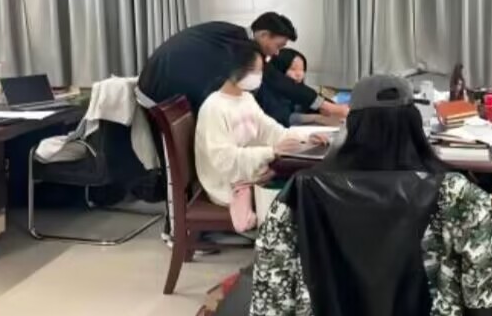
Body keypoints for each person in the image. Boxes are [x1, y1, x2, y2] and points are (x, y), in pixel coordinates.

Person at [249, 75, 492, 316]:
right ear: (414, 123)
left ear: (352, 125)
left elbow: (271, 286)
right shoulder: (458, 195)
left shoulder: (302, 191)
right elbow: (479, 299)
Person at [194, 43, 322, 232]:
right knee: (302, 186)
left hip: (248, 169)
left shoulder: (246, 99)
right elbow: (223, 159)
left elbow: (272, 130)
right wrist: (271, 152)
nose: (260, 76)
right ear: (238, 70)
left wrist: (307, 138)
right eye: (257, 71)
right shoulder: (214, 107)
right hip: (226, 183)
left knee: (304, 179)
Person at [137, 12, 348, 120]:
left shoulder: (231, 35)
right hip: (158, 91)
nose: (276, 53)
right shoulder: (240, 46)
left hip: (160, 85)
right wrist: (328, 107)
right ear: (263, 35)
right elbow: (276, 80)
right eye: (278, 46)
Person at [256, 48, 340, 127]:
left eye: (302, 69)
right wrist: (315, 118)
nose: (299, 74)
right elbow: (280, 117)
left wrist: (326, 111)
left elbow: (323, 104)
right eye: (293, 69)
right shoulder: (267, 93)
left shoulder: (303, 92)